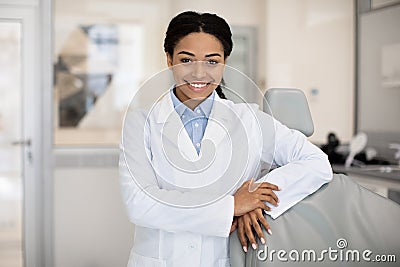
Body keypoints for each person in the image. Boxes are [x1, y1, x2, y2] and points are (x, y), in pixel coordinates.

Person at [119, 11, 332, 267]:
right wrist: (231, 206)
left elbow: (317, 163)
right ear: (169, 59)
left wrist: (256, 198)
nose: (199, 73)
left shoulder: (250, 120)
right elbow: (141, 204)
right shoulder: (140, 123)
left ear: (225, 62)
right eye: (186, 59)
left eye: (212, 62)